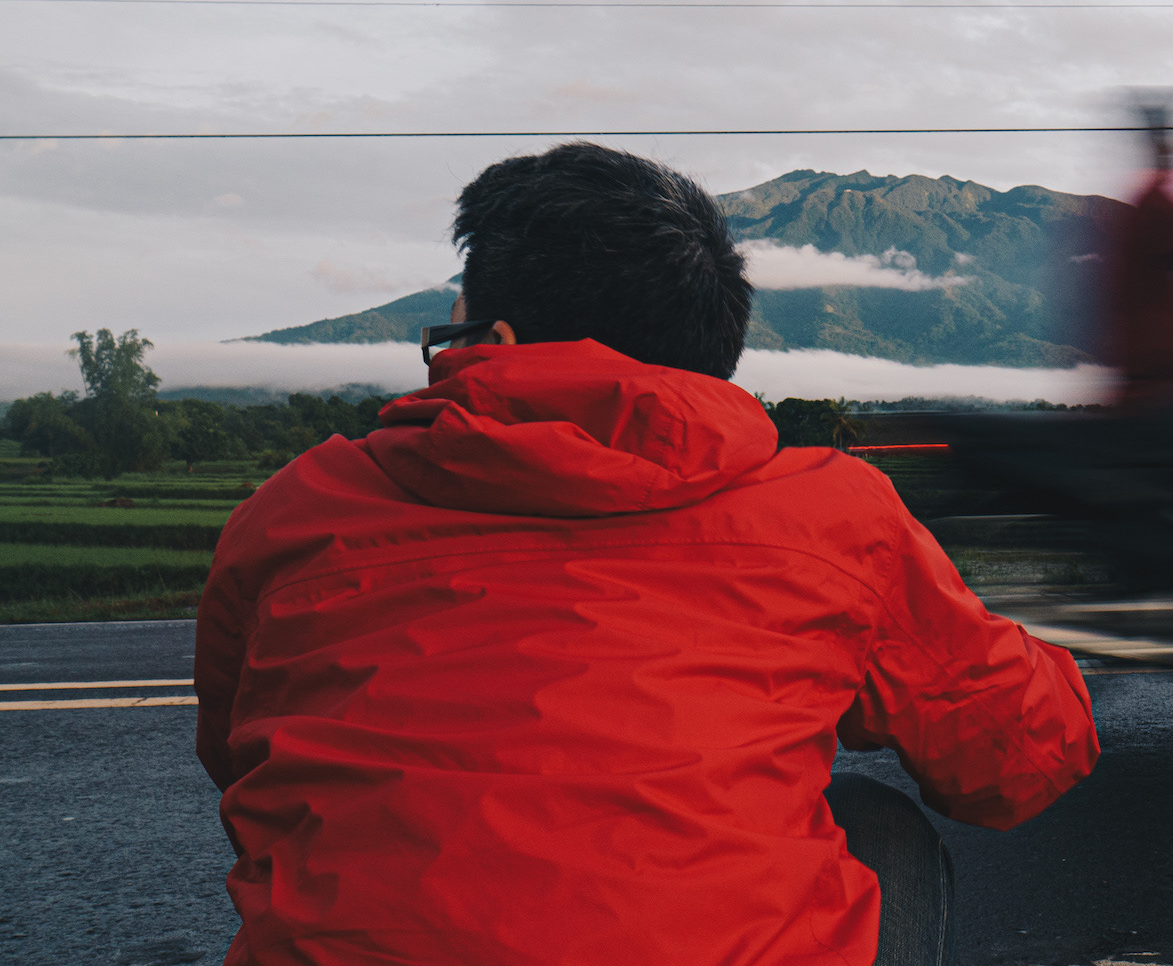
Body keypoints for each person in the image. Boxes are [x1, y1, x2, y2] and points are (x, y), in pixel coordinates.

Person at [193, 141, 1100, 966]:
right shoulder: (831, 512)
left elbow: (242, 768)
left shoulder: (296, 511)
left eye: (452, 331)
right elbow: (1019, 765)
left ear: (495, 346)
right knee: (875, 826)